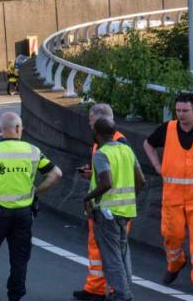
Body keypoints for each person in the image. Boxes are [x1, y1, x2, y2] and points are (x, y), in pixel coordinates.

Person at [0, 112, 63, 301]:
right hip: (23, 215)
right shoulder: (33, 151)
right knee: (19, 260)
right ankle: (15, 296)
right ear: (18, 128)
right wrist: (36, 191)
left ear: (2, 129)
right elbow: (56, 174)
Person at [142, 92, 193, 294]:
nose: (181, 114)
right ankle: (175, 263)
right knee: (171, 234)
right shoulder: (167, 129)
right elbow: (148, 144)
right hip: (173, 196)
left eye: (185, 110)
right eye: (178, 110)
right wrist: (157, 166)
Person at [84, 118, 146, 301]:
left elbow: (106, 182)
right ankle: (125, 291)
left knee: (111, 258)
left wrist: (87, 197)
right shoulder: (127, 150)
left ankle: (122, 295)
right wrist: (130, 199)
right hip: (126, 211)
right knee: (123, 254)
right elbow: (141, 180)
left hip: (106, 213)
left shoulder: (101, 154)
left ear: (97, 133)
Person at [74, 104, 130, 301]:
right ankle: (96, 288)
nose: (89, 126)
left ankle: (118, 292)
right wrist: (91, 174)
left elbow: (111, 178)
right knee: (100, 248)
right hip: (109, 206)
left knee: (114, 252)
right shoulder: (107, 141)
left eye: (91, 122)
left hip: (110, 207)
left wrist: (88, 197)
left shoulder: (114, 143)